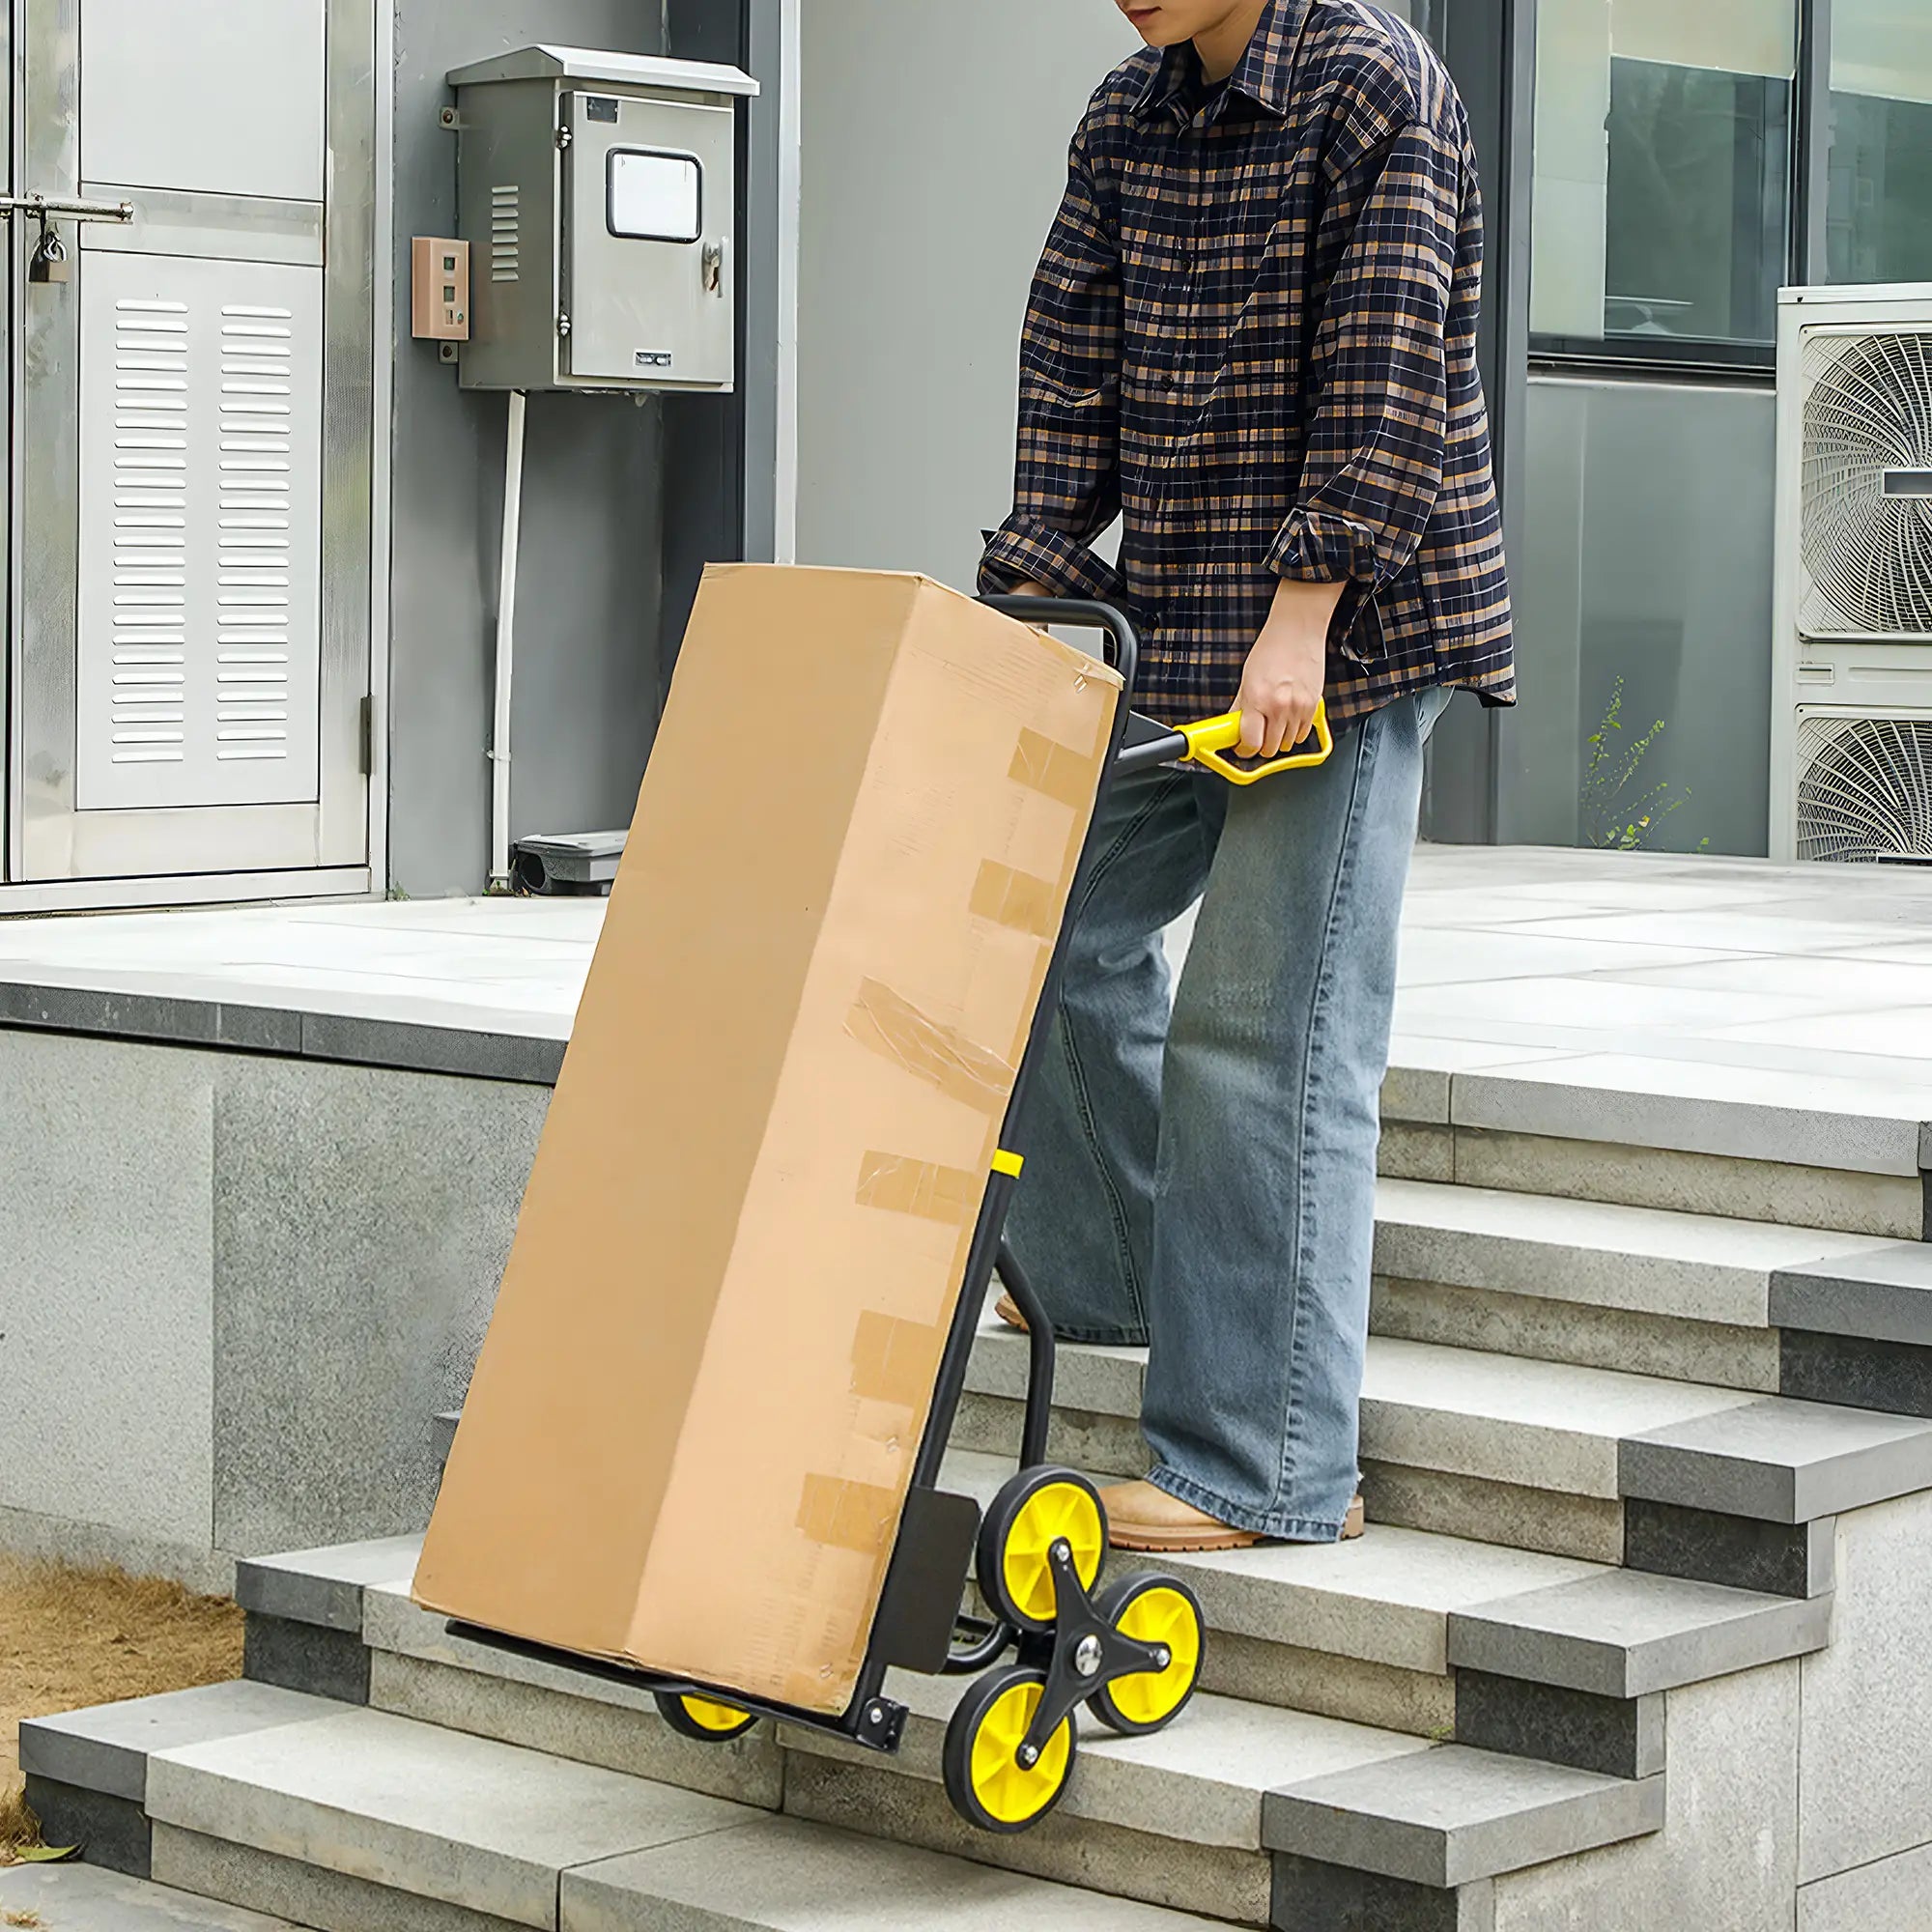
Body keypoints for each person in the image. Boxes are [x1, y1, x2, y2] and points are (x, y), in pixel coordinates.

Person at [978, 0, 1514, 1552]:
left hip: (1347, 637)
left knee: (1262, 1034)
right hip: (1183, 619)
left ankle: (1264, 1462)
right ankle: (1117, 1281)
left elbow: (1389, 383)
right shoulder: (1125, 115)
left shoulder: (1377, 88)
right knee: (1035, 925)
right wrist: (1027, 592)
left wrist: (1306, 617)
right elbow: (1069, 371)